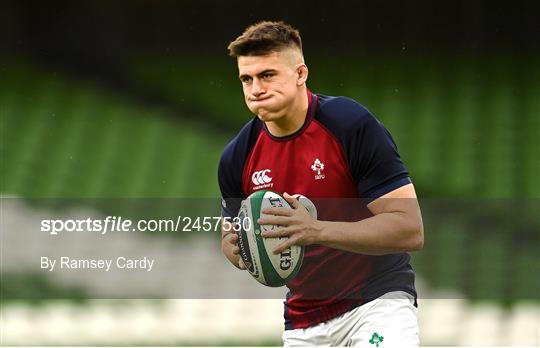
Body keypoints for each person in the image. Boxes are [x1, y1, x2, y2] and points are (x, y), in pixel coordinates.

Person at [218, 20, 424, 347]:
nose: (255, 89)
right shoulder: (236, 158)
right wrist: (237, 248)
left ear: (301, 74)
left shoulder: (349, 125)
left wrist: (316, 230)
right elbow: (230, 235)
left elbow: (409, 229)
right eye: (247, 78)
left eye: (267, 75)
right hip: (303, 323)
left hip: (376, 304)